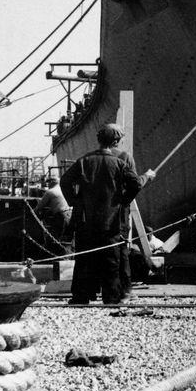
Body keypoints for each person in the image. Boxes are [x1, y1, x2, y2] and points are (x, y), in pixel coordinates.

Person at [60, 122, 155, 304]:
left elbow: (65, 181)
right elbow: (135, 184)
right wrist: (124, 200)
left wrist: (75, 201)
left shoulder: (84, 160)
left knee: (84, 259)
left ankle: (81, 297)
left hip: (86, 220)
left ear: (99, 139)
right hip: (112, 221)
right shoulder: (120, 162)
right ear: (117, 140)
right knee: (112, 259)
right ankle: (111, 298)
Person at [35, 177, 72, 241]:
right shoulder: (62, 190)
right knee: (66, 238)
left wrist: (32, 212)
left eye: (48, 182)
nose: (47, 184)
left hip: (61, 216)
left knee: (55, 238)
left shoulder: (50, 192)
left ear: (52, 182)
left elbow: (39, 207)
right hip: (70, 214)